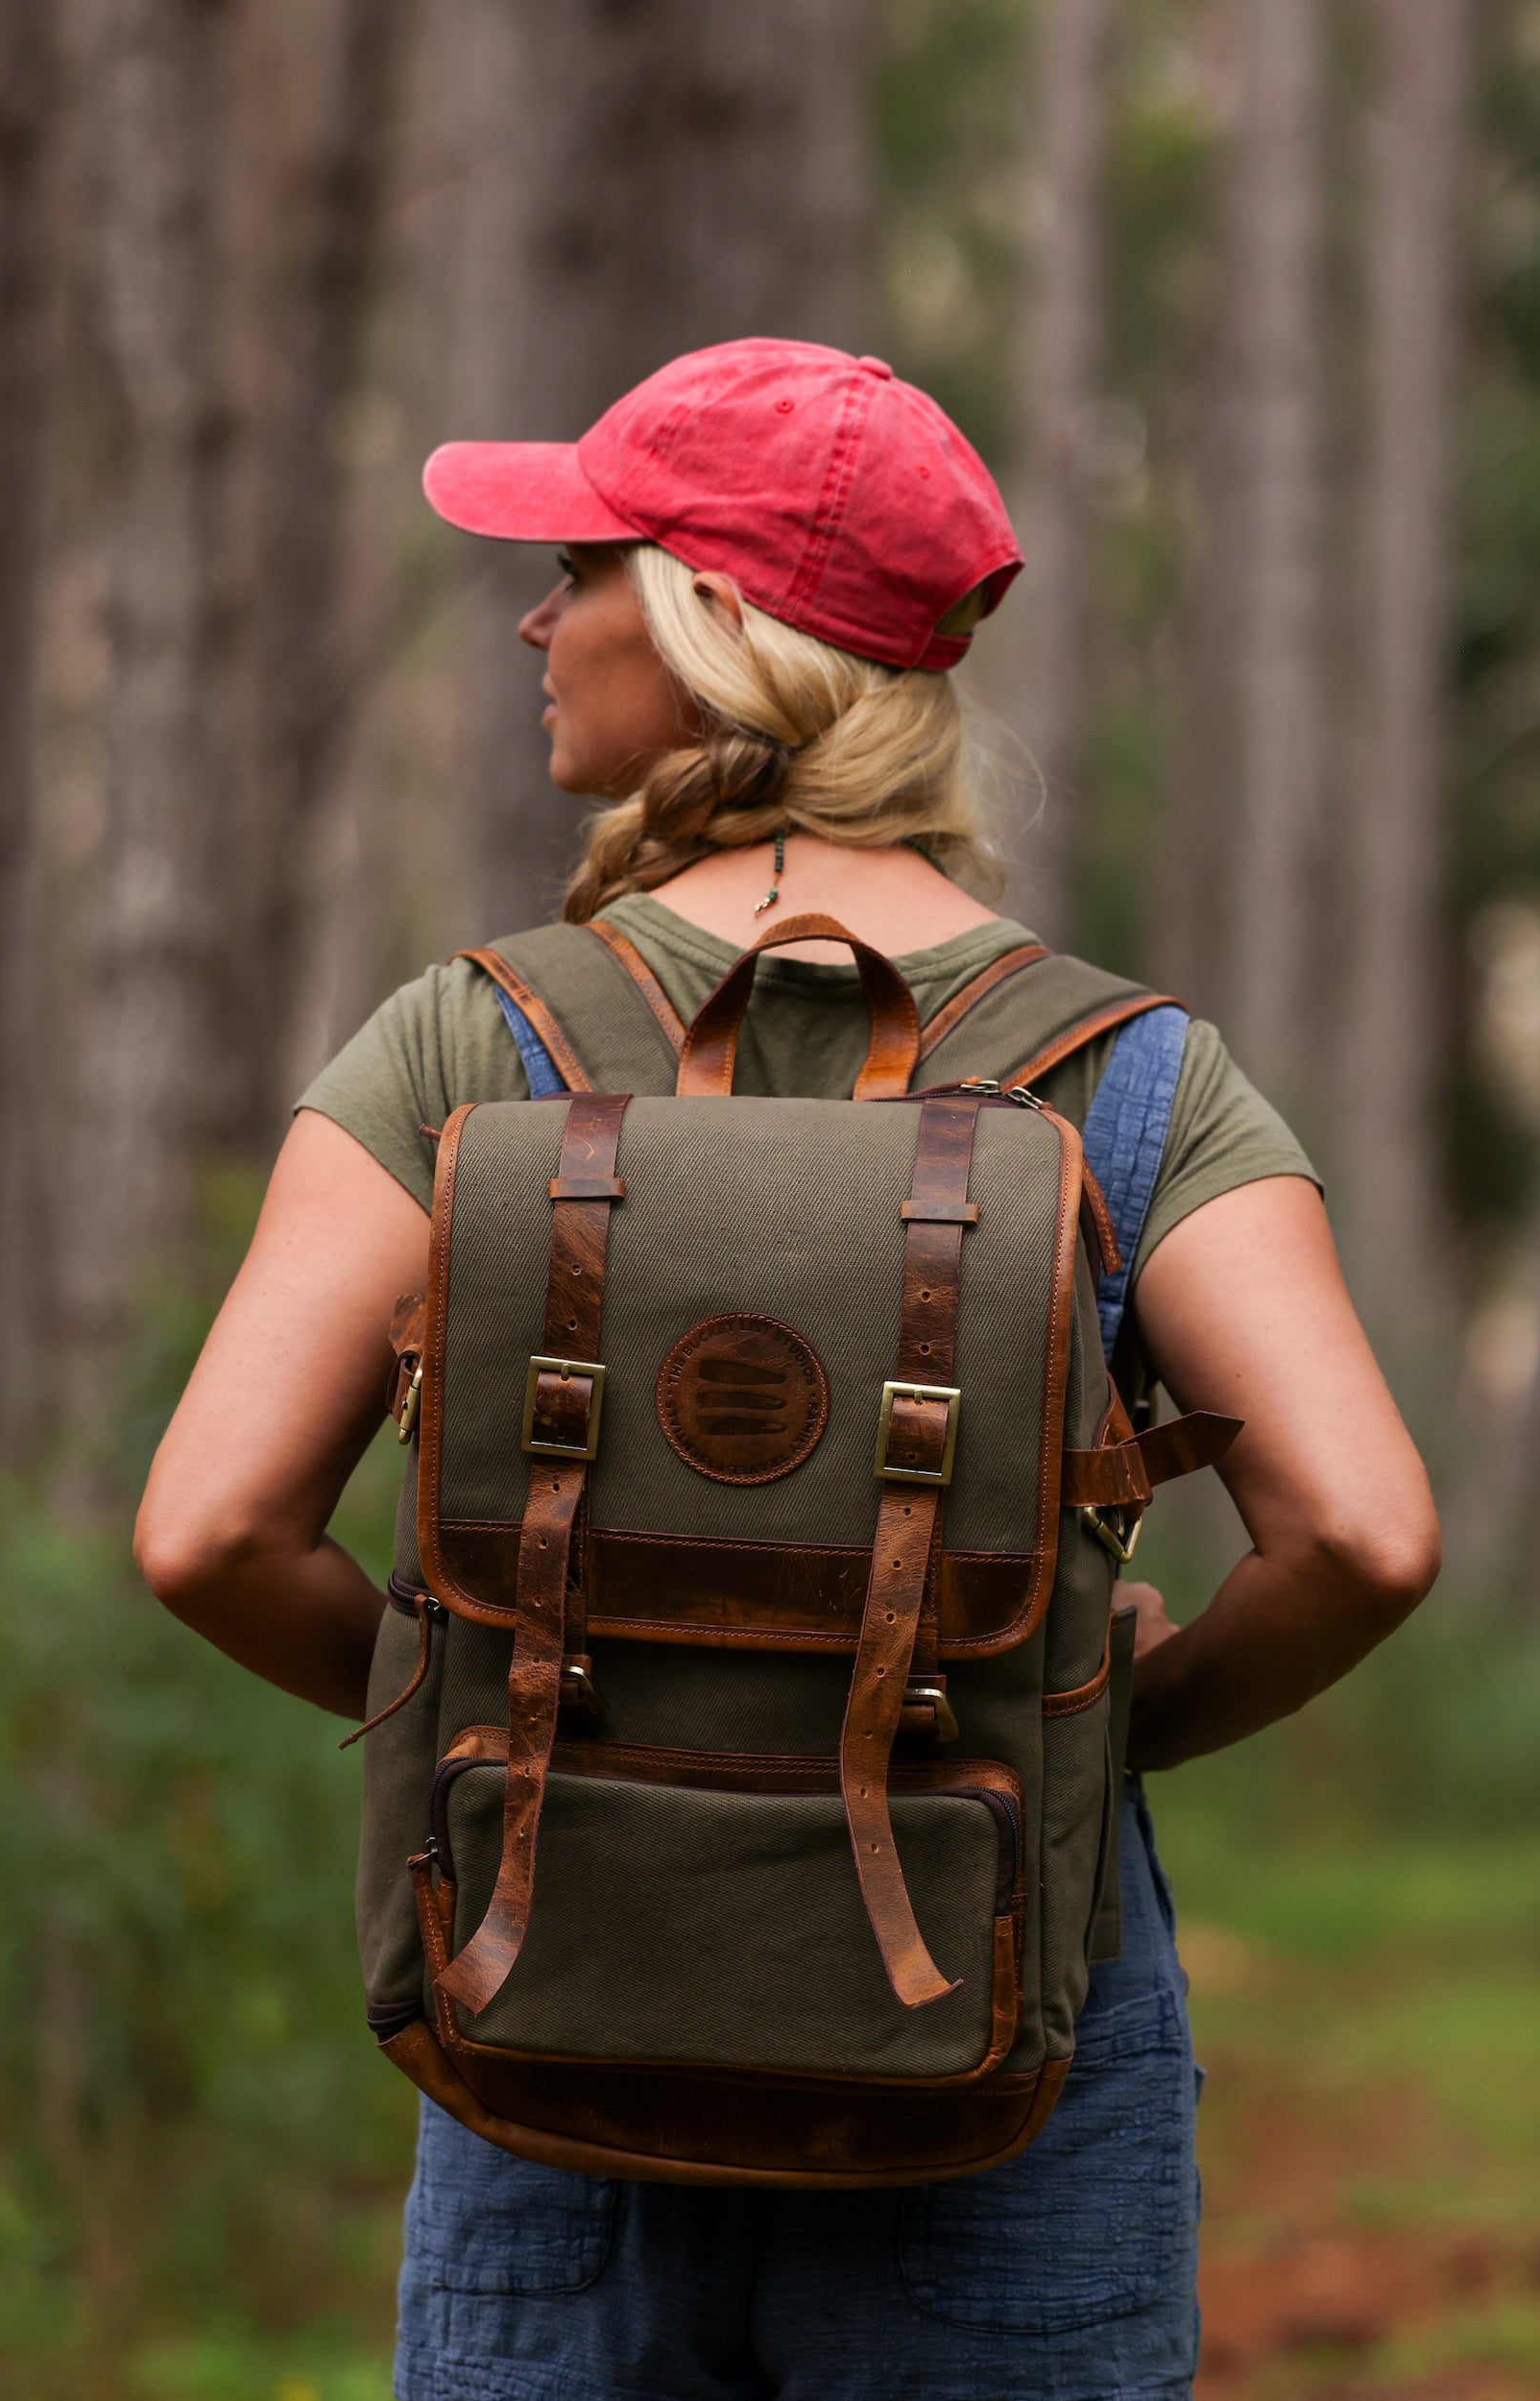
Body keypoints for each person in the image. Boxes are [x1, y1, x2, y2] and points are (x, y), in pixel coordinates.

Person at [135, 338, 1439, 2401]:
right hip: (991, 2035)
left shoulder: (469, 1042)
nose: (532, 614)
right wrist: (1092, 1725)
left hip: (546, 2000)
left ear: (712, 627)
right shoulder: (1126, 1073)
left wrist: (485, 1685)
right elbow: (1361, 1532)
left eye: (581, 565)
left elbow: (208, 1526)